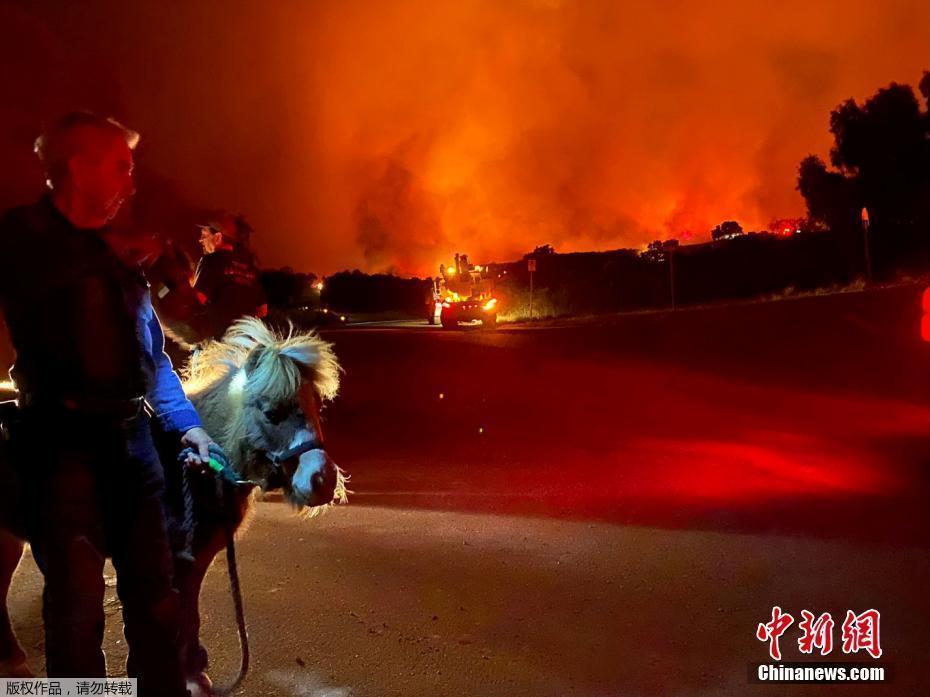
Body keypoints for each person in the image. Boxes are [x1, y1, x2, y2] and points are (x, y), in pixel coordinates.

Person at [0, 111, 214, 695]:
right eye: (121, 167)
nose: (132, 183)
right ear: (80, 167)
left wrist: (190, 427)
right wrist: (111, 252)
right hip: (59, 442)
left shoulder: (123, 262)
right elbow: (40, 272)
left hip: (132, 445)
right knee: (76, 607)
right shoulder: (20, 236)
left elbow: (155, 360)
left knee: (157, 597)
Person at [192, 215, 266, 339]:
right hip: (249, 341)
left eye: (204, 235)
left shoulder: (210, 260)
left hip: (221, 344)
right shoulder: (250, 267)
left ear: (218, 237)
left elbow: (198, 299)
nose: (200, 240)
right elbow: (263, 310)